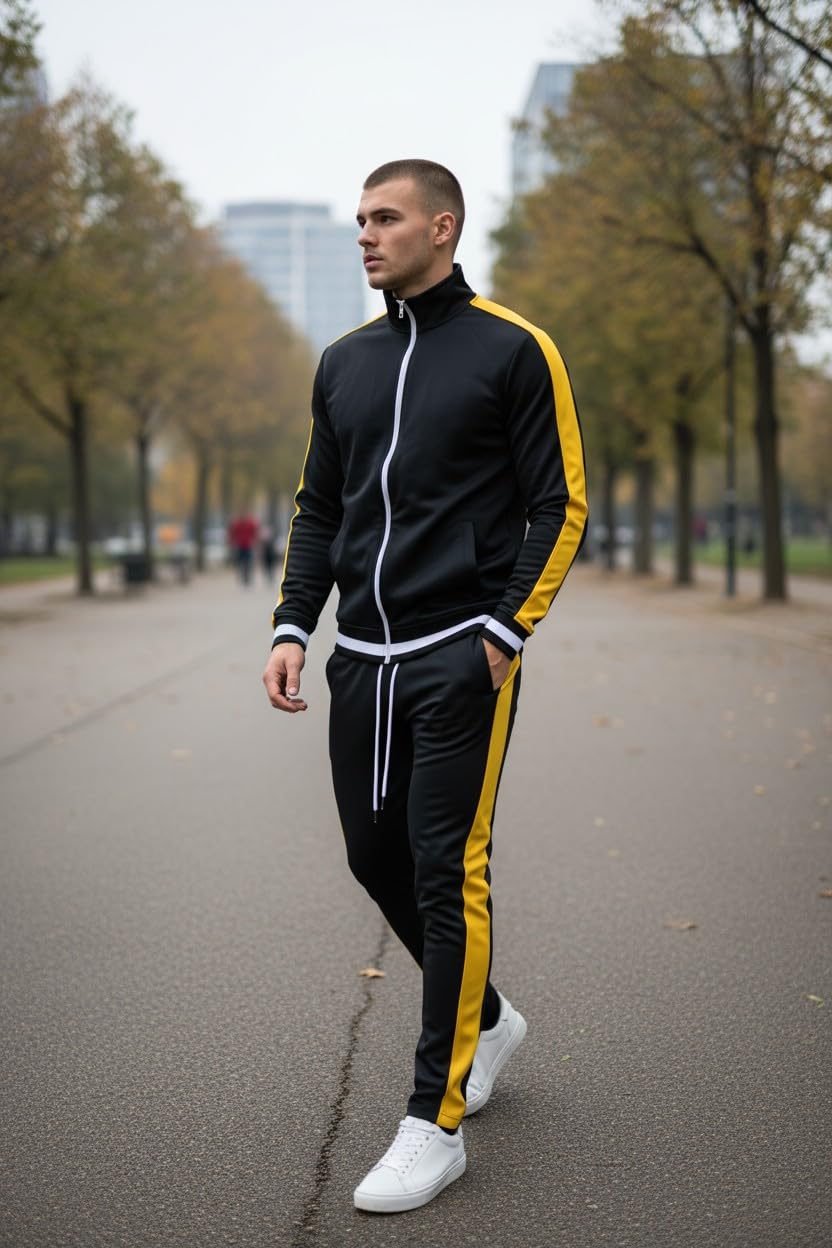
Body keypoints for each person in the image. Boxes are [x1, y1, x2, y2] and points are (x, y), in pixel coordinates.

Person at [262, 159, 587, 1214]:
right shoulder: (344, 362)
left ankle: (431, 1124)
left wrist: (503, 632)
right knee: (375, 856)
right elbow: (319, 507)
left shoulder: (514, 348)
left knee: (448, 871)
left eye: (386, 217)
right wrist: (293, 624)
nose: (366, 234)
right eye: (360, 219)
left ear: (441, 228)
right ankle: (487, 1020)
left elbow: (560, 503)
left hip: (461, 652)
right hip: (363, 658)